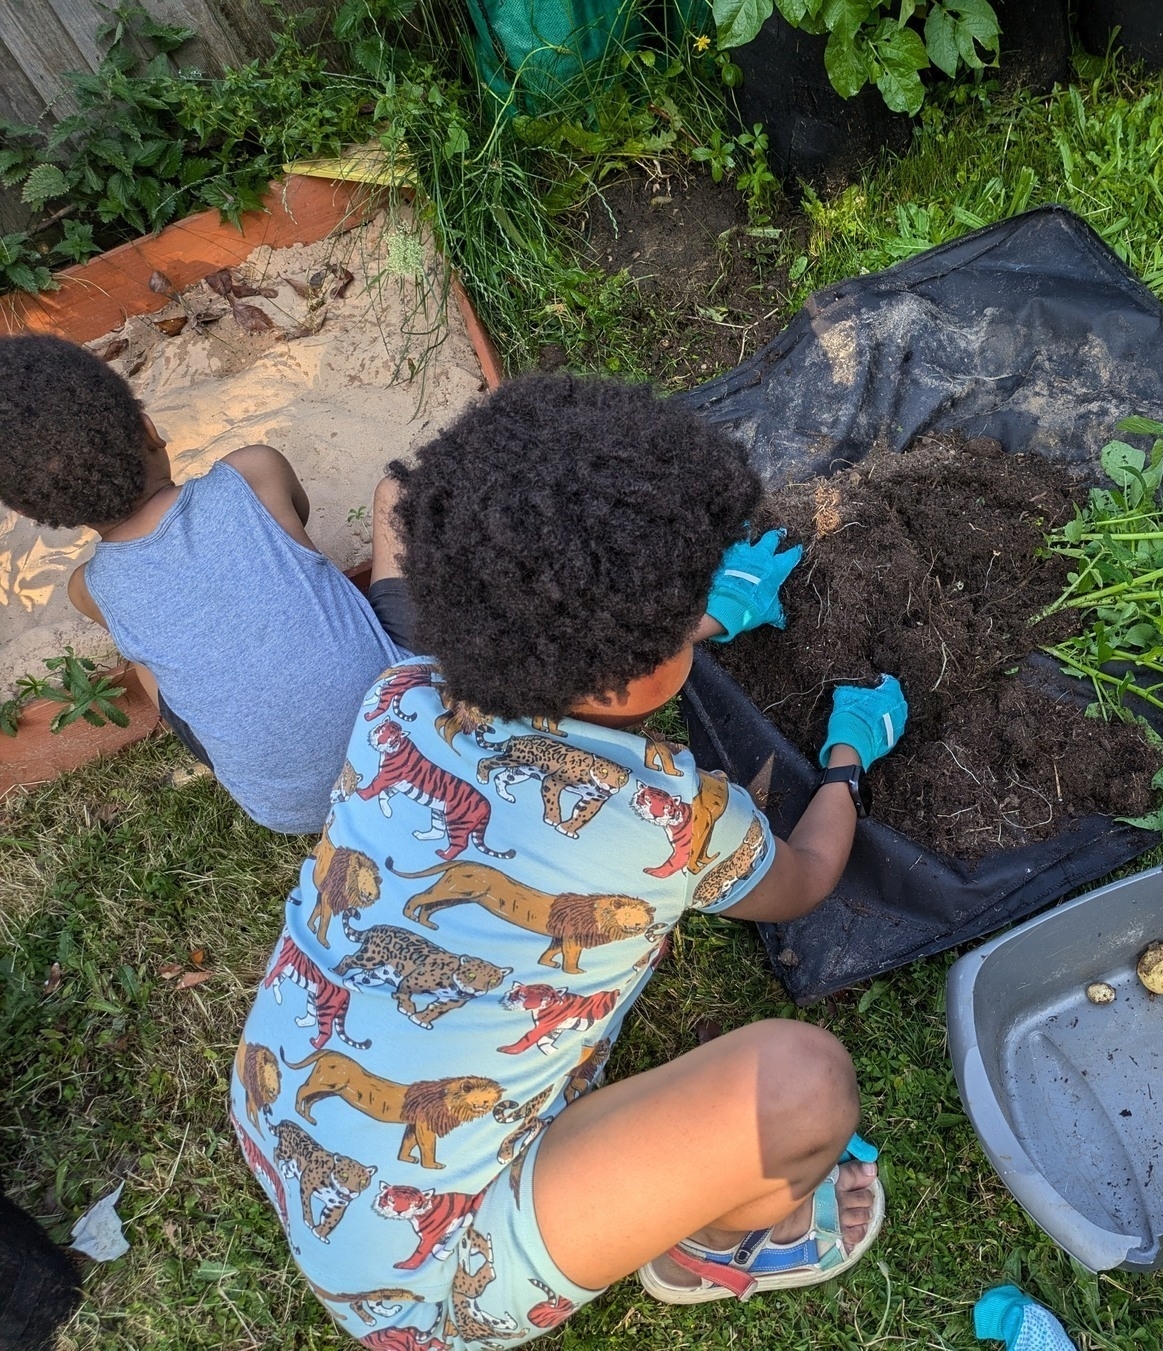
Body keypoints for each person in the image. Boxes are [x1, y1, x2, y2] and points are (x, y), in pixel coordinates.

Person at [228, 374, 909, 1347]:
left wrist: (692, 622)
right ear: (641, 664)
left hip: (276, 1089)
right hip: (424, 1273)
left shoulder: (398, 695)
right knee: (805, 1087)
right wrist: (845, 762)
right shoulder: (666, 815)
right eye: (687, 600)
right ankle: (717, 1245)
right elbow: (803, 878)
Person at [0, 334, 415, 834]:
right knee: (399, 493)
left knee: (146, 660)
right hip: (415, 727)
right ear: (150, 430)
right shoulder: (254, 470)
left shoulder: (89, 588)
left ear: (33, 513)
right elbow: (300, 518)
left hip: (296, 810)